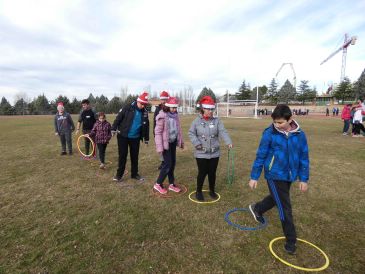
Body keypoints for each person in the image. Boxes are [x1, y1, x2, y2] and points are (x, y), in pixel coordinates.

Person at [248, 104, 309, 255]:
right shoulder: (269, 133)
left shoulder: (300, 135)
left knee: (277, 199)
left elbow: (304, 157)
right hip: (274, 174)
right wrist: (254, 176)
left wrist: (303, 178)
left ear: (290, 119)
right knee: (285, 207)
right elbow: (261, 154)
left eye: (280, 122)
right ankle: (291, 239)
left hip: (289, 175)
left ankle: (258, 208)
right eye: (275, 122)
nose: (277, 125)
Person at [188, 96, 233, 201]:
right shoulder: (196, 121)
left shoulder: (217, 121)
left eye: (212, 109)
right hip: (201, 153)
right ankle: (198, 191)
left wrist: (228, 142)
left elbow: (223, 131)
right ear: (203, 108)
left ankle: (212, 190)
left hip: (214, 153)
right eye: (208, 109)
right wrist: (197, 143)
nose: (210, 111)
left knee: (212, 173)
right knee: (202, 172)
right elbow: (191, 133)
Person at [111, 91, 150, 182]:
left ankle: (134, 174)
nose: (143, 106)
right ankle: (119, 175)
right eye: (142, 104)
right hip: (123, 136)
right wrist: (113, 128)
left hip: (135, 138)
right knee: (122, 156)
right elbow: (118, 118)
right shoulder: (128, 107)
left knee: (134, 156)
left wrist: (146, 138)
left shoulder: (145, 112)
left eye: (145, 104)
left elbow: (146, 125)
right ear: (138, 101)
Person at [153, 97, 184, 194]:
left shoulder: (175, 115)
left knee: (173, 163)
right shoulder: (162, 116)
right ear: (168, 106)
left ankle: (171, 184)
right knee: (167, 164)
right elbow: (157, 132)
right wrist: (159, 147)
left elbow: (179, 130)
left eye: (176, 107)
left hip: (173, 142)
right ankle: (158, 184)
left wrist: (181, 142)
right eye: (173, 107)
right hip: (165, 144)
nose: (174, 109)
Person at [154, 90, 169, 170]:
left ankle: (168, 161)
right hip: (159, 131)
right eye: (162, 99)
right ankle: (163, 162)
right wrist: (155, 133)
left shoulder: (171, 107)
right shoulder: (158, 108)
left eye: (165, 99)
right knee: (161, 147)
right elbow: (155, 120)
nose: (163, 101)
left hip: (167, 132)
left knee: (167, 147)